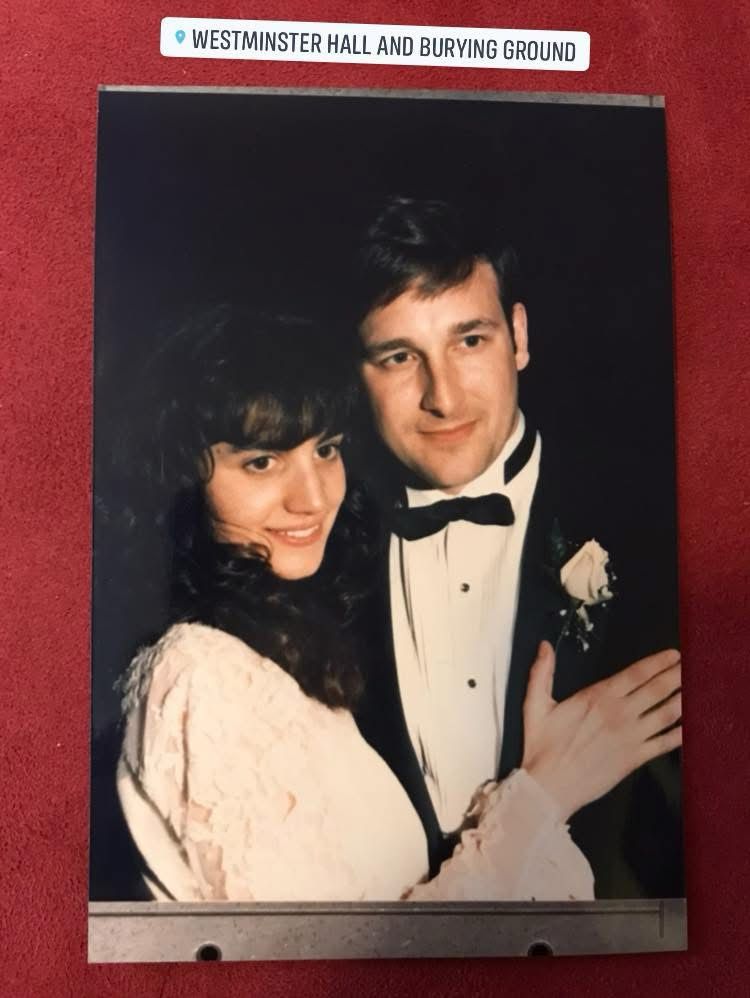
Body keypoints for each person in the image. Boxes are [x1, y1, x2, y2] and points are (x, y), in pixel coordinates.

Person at [113, 306, 680, 902]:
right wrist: (545, 793)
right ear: (179, 480)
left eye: (325, 450)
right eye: (261, 461)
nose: (313, 498)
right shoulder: (199, 677)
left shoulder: (277, 653)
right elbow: (335, 954)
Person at [349, 197, 684, 897]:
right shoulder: (320, 550)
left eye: (469, 341)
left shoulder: (660, 531)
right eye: (400, 356)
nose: (443, 397)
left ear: (519, 337)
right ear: (359, 373)